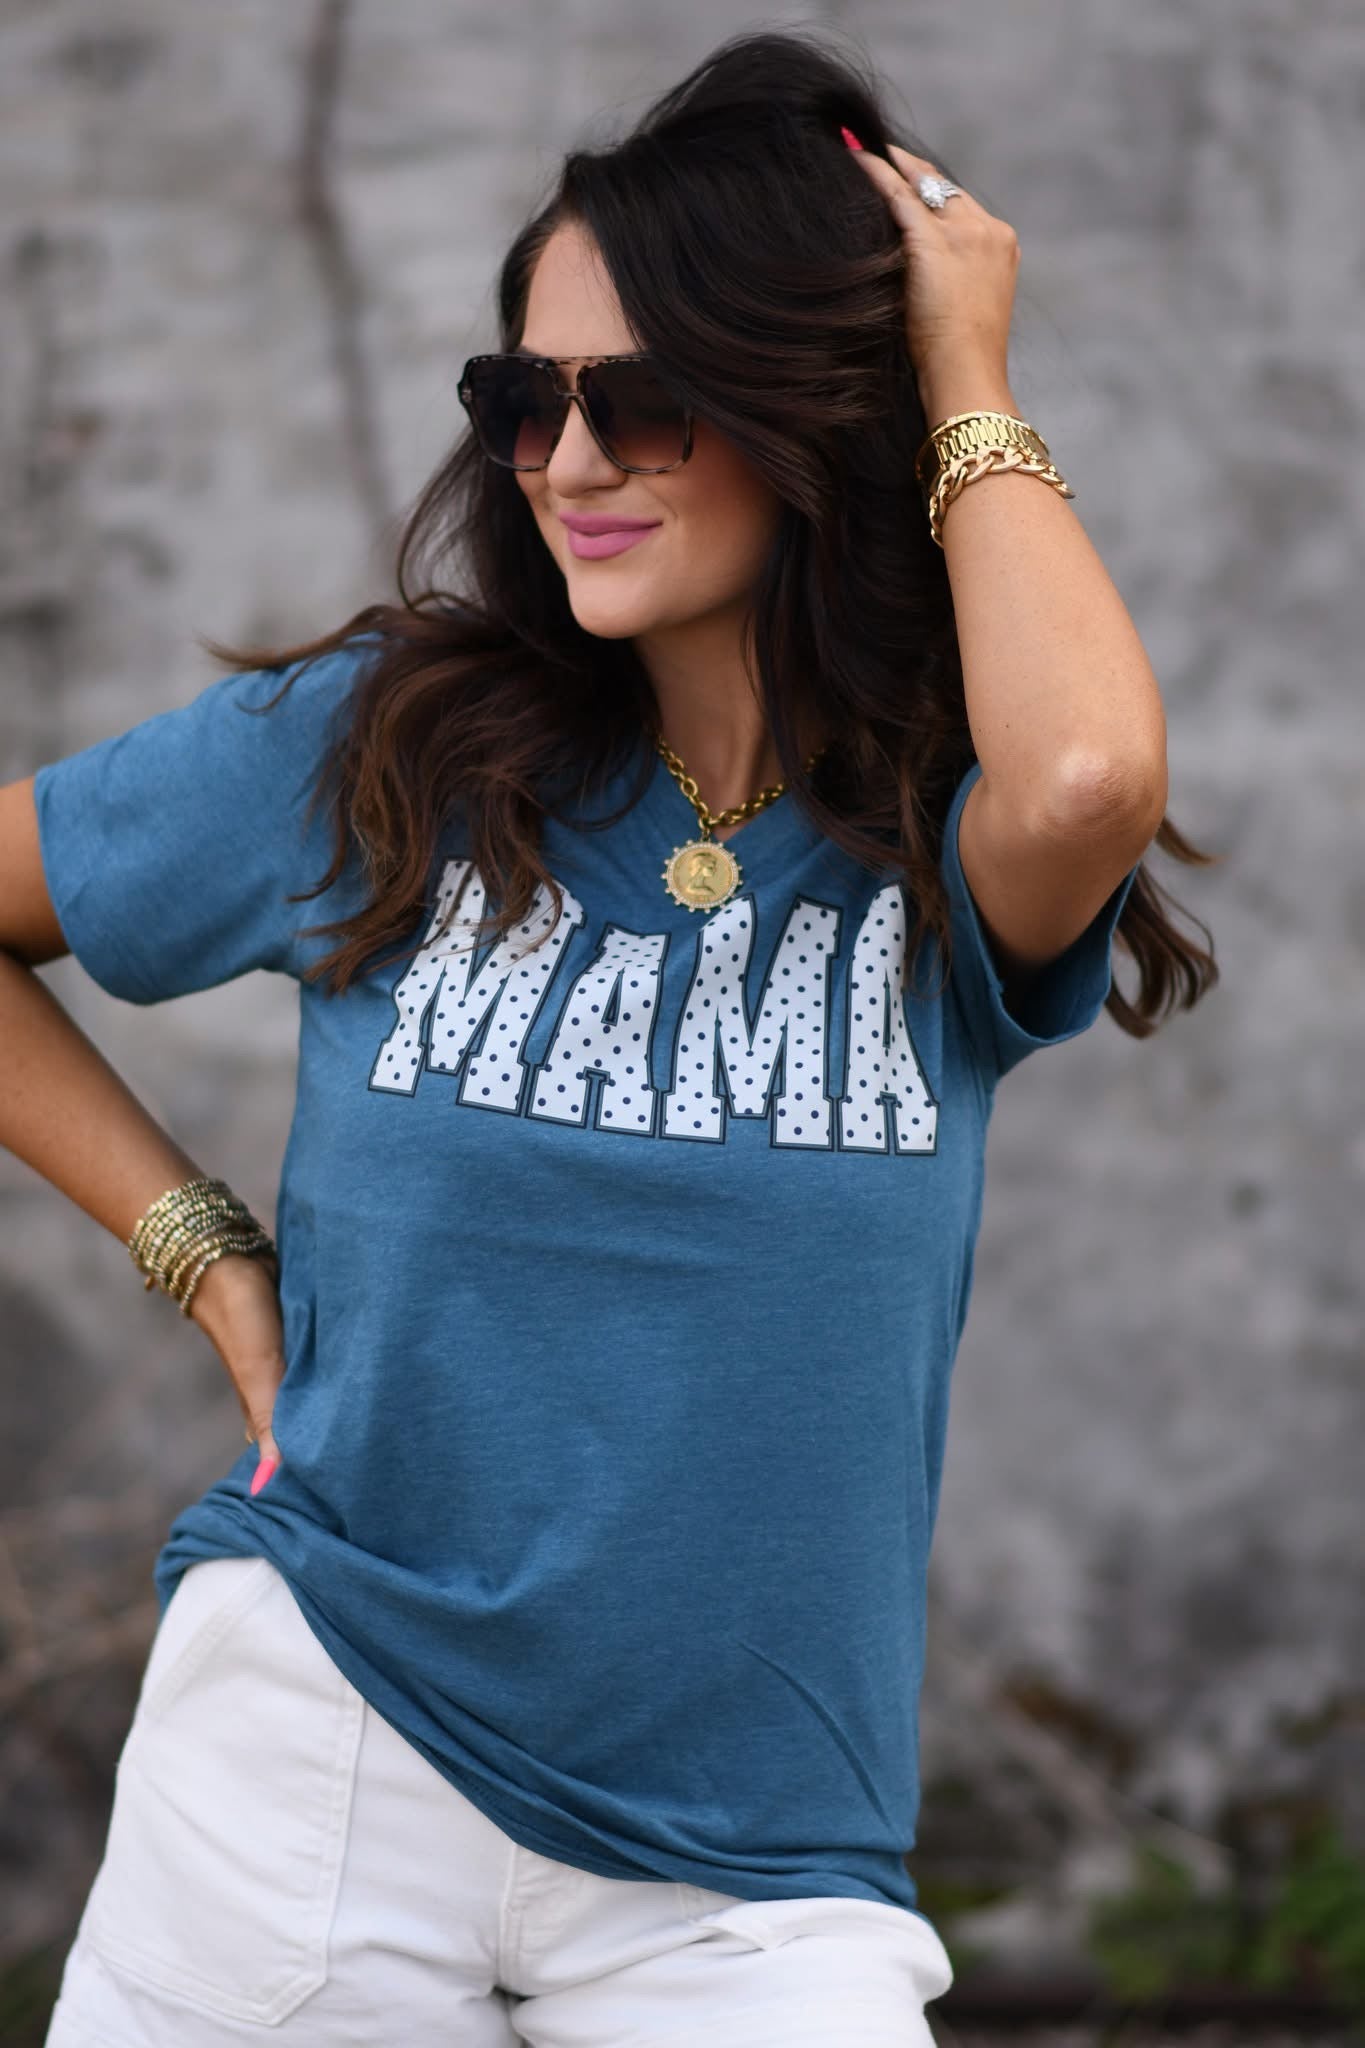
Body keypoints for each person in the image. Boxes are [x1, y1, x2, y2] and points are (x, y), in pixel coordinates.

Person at [6, 28, 1218, 2048]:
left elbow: (1091, 774)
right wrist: (196, 1247)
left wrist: (962, 365)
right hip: (319, 1753)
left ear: (806, 410)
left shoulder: (942, 840)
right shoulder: (384, 752)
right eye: (525, 400)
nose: (568, 464)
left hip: (748, 1875)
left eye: (644, 404)